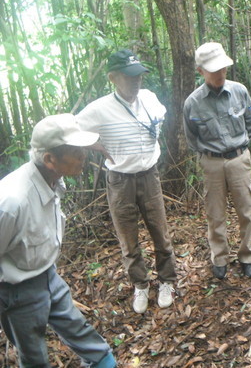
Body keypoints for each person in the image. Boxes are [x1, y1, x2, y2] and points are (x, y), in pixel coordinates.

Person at [0, 114, 116, 367]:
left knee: (83, 335)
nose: (83, 156)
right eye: (75, 151)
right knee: (34, 358)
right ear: (50, 159)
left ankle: (103, 362)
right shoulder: (11, 202)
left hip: (48, 275)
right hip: (17, 289)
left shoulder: (52, 179)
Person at [77, 49, 176, 314]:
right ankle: (141, 285)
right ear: (113, 78)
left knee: (160, 232)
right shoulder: (99, 108)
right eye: (129, 77)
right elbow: (73, 130)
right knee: (128, 238)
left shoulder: (149, 98)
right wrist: (98, 146)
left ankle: (167, 281)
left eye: (139, 75)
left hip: (149, 176)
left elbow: (160, 119)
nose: (136, 81)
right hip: (120, 180)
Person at [183, 42, 251, 280]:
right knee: (215, 214)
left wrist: (240, 149)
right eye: (213, 70)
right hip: (211, 162)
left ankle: (247, 256)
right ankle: (220, 258)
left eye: (223, 68)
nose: (220, 74)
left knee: (247, 210)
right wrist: (211, 156)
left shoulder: (239, 91)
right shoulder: (192, 103)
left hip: (239, 159)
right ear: (200, 71)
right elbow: (191, 138)